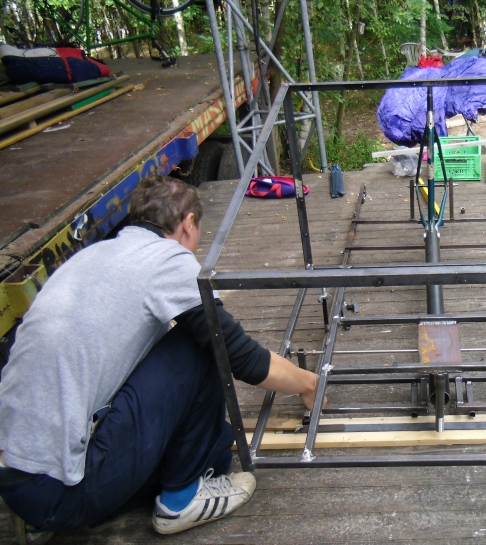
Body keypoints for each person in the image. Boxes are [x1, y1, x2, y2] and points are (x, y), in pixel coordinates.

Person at [0, 175, 322, 540]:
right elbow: (240, 356)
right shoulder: (167, 260)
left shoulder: (91, 256)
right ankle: (180, 501)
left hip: (16, 478)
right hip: (59, 489)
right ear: (188, 224)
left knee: (216, 445)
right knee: (200, 343)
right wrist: (308, 383)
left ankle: (57, 509)